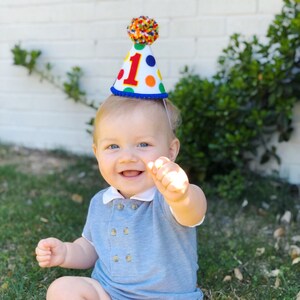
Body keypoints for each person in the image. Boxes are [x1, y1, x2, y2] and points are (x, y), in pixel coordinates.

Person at [36, 16, 207, 300]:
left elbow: (194, 210)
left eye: (143, 144)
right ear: (96, 153)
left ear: (171, 151)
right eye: (113, 147)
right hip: (110, 292)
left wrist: (180, 194)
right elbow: (90, 248)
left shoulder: (168, 198)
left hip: (167, 297)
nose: (127, 157)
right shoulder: (101, 202)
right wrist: (67, 252)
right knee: (62, 288)